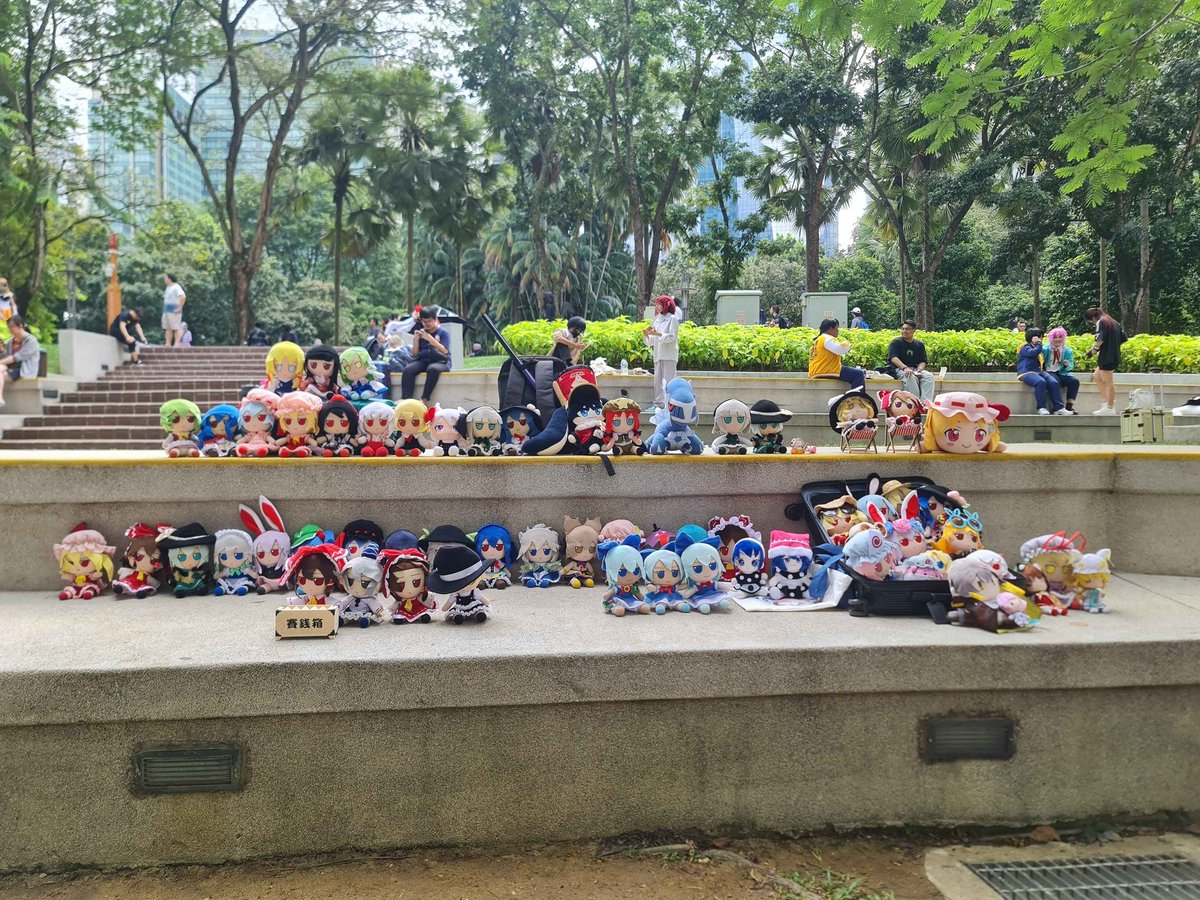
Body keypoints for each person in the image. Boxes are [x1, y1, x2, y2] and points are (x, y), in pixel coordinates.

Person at [400, 307, 451, 402]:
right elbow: (415, 355)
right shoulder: (421, 332)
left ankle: (424, 398)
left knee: (432, 369)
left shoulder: (443, 333)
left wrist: (430, 339)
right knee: (408, 370)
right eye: (424, 322)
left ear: (435, 319)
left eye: (429, 321)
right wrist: (416, 339)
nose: (427, 324)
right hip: (424, 360)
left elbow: (445, 351)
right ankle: (405, 398)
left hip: (440, 361)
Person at [1017, 328, 1068, 415]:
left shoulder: (1037, 347)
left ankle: (1058, 408)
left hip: (1039, 371)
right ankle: (1041, 408)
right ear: (1034, 338)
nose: (1042, 340)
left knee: (1053, 382)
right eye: (1040, 338)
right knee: (1040, 382)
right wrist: (1039, 343)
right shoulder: (1024, 347)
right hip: (1026, 372)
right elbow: (1033, 353)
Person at [1085, 307, 1124, 415]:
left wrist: (1092, 351)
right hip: (1114, 354)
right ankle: (1106, 403)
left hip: (1107, 356)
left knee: (1108, 383)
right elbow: (1123, 338)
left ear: (1093, 318)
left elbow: (1099, 339)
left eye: (1091, 322)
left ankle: (1110, 407)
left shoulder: (1100, 322)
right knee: (1097, 376)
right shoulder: (1114, 322)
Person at [643, 295, 680, 408]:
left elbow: (671, 337)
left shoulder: (672, 319)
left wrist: (658, 334)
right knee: (657, 381)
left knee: (668, 381)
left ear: (666, 305)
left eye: (659, 304)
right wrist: (646, 335)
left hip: (669, 355)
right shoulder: (658, 319)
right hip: (658, 355)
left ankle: (669, 405)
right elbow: (652, 341)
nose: (657, 306)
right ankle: (658, 405)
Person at [808, 318, 865, 390]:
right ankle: (859, 398)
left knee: (851, 372)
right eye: (837, 328)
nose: (838, 330)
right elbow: (840, 350)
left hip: (817, 370)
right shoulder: (827, 339)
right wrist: (847, 344)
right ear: (831, 329)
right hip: (826, 370)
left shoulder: (819, 339)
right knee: (858, 374)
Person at [887, 320, 935, 403]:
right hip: (899, 369)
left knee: (929, 376)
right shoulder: (896, 342)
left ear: (914, 330)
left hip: (914, 369)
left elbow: (923, 361)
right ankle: (915, 403)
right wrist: (905, 368)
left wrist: (919, 369)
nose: (904, 331)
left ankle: (925, 404)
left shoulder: (919, 344)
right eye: (903, 329)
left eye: (907, 329)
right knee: (910, 376)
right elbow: (893, 358)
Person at [0, 316, 41, 408]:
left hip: (23, 370)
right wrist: (2, 351)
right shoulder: (10, 342)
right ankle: (0, 400)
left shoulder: (31, 341)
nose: (10, 329)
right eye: (9, 327)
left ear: (20, 326)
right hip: (10, 368)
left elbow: (18, 357)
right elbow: (7, 357)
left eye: (12, 326)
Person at [1042, 327, 1080, 414]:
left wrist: (1067, 365)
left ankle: (1069, 407)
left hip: (1062, 372)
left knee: (1074, 381)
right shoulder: (1045, 349)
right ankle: (1057, 408)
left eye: (1060, 337)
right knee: (1055, 381)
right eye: (1055, 337)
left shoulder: (1067, 351)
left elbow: (1071, 365)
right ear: (1051, 338)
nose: (1058, 339)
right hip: (1049, 371)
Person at [161, 274, 186, 348]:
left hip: (174, 310)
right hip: (167, 310)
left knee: (176, 327)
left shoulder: (176, 287)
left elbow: (183, 296)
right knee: (168, 327)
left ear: (169, 279)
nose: (165, 279)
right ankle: (168, 343)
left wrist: (179, 307)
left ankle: (177, 343)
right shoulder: (168, 287)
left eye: (166, 278)